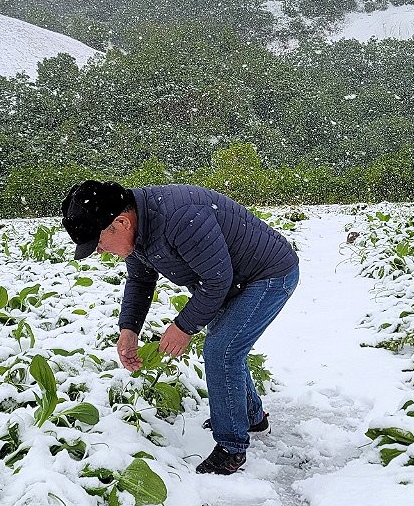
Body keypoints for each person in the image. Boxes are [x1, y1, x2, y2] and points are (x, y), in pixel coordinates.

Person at [61, 179, 299, 475]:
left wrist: (183, 326)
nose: (98, 251)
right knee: (225, 348)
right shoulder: (137, 229)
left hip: (268, 275)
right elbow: (140, 280)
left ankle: (231, 448)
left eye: (97, 242)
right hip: (231, 278)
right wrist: (129, 328)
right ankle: (250, 417)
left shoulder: (182, 217)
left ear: (120, 223)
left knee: (221, 349)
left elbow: (216, 281)